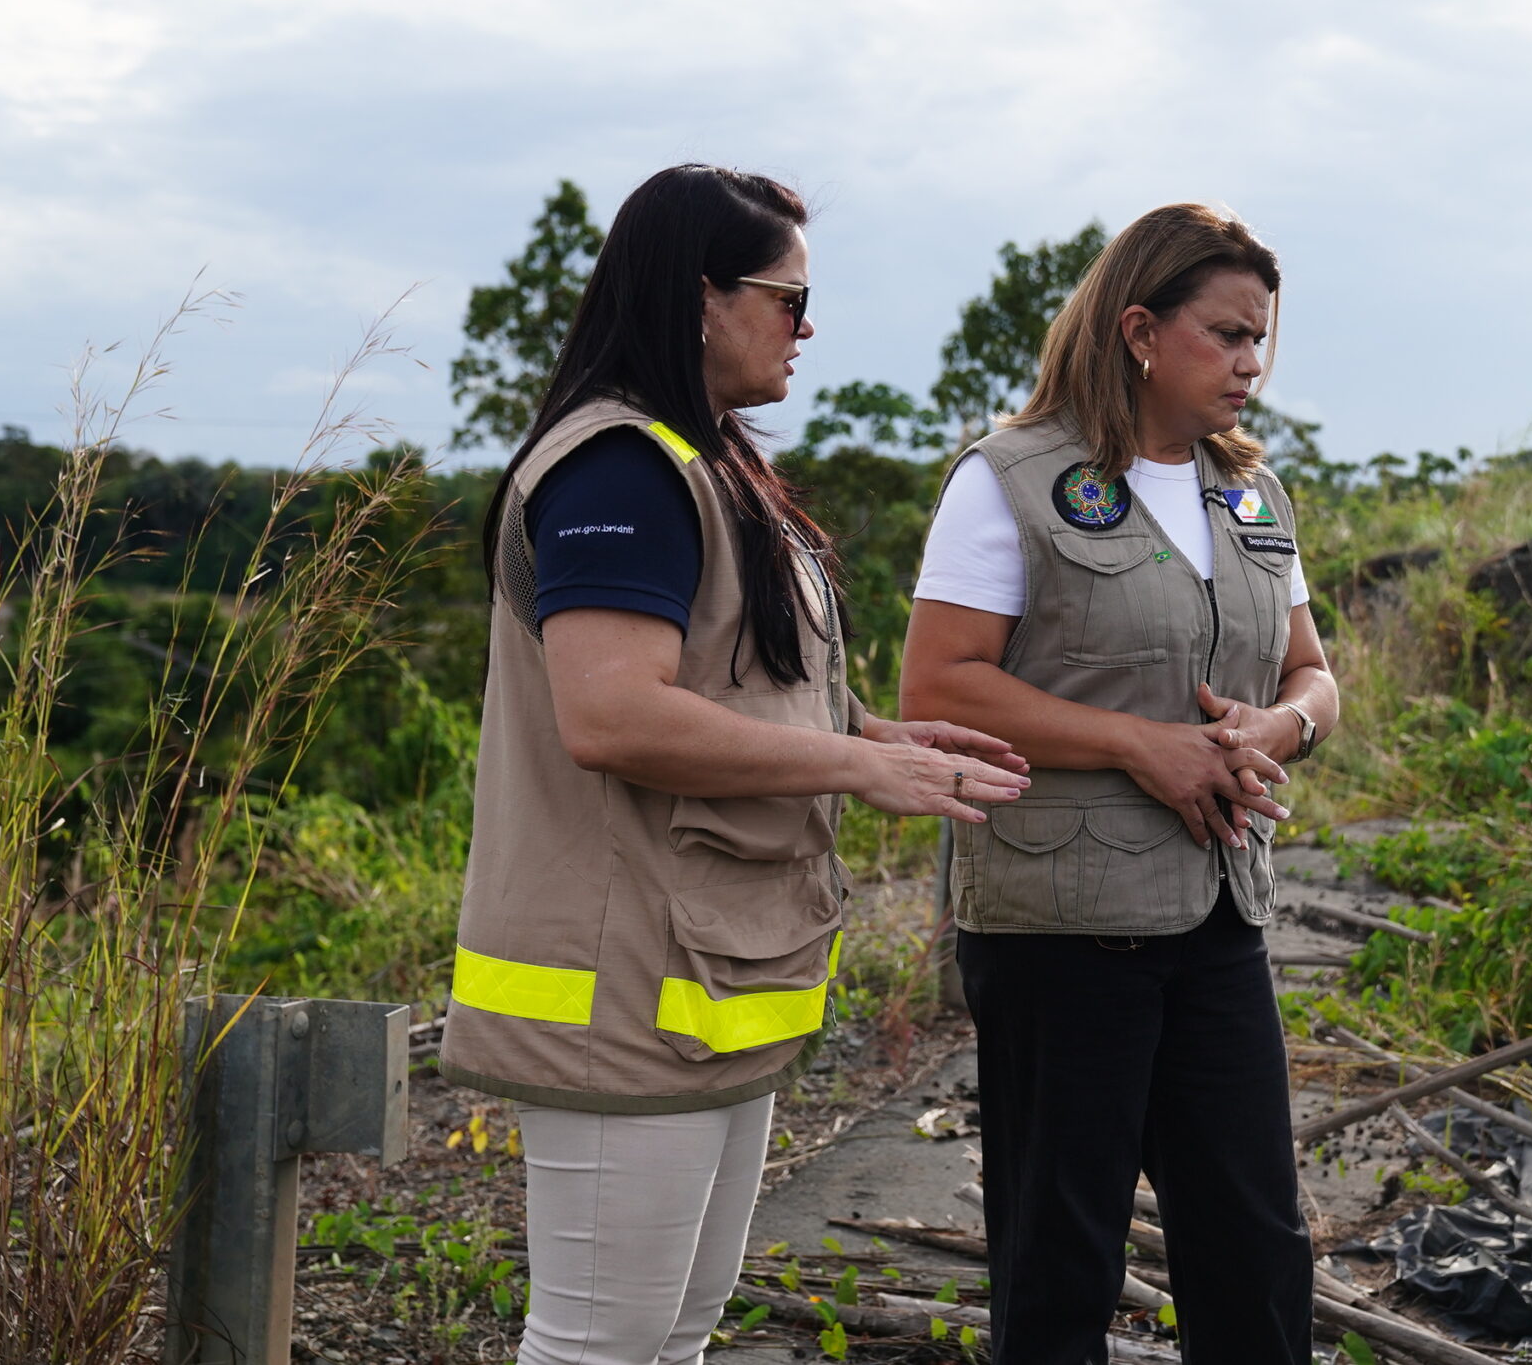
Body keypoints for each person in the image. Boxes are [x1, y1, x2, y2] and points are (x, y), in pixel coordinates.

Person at [438, 164, 1030, 1365]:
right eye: (786, 299)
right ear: (701, 295)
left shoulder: (707, 464)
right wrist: (851, 771)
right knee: (602, 1341)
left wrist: (871, 736)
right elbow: (609, 716)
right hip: (617, 985)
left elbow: (740, 678)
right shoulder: (617, 470)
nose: (804, 330)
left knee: (676, 1334)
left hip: (708, 979)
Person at [901, 203, 1343, 1365]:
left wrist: (1279, 725)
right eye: (1228, 334)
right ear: (1140, 328)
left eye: (1262, 339)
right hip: (1063, 929)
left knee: (1255, 1249)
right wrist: (1134, 743)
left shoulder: (1248, 493)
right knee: (1061, 1259)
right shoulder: (1010, 480)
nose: (1252, 364)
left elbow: (1313, 672)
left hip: (1216, 920)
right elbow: (939, 688)